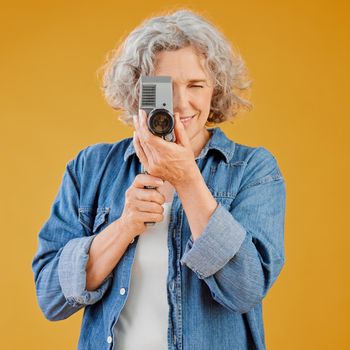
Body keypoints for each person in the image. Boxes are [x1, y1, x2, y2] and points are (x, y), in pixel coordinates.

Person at [32, 9, 286, 350]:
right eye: (163, 87)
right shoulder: (90, 167)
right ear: (139, 91)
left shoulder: (253, 169)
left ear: (215, 90)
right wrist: (124, 227)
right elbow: (51, 296)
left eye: (196, 85)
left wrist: (187, 180)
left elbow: (245, 289)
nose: (180, 103)